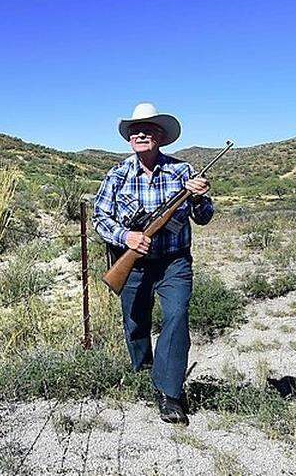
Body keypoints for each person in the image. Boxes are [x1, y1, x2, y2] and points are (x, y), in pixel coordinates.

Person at [91, 102, 213, 424]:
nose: (140, 133)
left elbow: (204, 217)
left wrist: (199, 197)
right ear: (129, 138)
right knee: (135, 322)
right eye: (135, 130)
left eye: (148, 129)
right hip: (133, 264)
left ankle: (169, 393)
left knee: (176, 316)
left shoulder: (183, 172)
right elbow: (99, 218)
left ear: (160, 136)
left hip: (174, 263)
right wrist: (125, 237)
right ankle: (143, 369)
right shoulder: (116, 174)